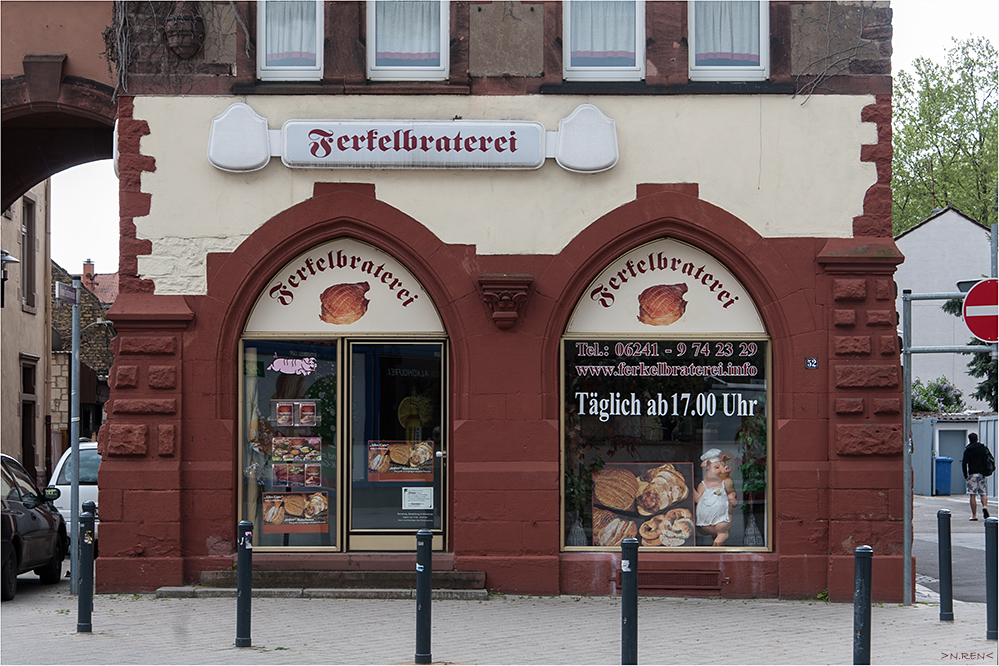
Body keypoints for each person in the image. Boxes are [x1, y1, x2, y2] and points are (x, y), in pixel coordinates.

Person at [694, 448, 738, 546]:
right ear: (707, 467)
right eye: (717, 467)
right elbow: (697, 498)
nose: (722, 469)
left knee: (721, 529)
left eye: (722, 466)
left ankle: (721, 537)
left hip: (721, 522)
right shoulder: (703, 485)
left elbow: (731, 494)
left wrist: (732, 499)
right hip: (703, 524)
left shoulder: (725, 483)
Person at [961, 433, 991, 521]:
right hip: (982, 473)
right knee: (983, 492)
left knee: (972, 495)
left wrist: (965, 475)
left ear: (969, 440)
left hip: (972, 474)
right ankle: (984, 507)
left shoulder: (968, 450)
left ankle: (974, 515)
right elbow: (987, 459)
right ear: (977, 439)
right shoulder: (983, 448)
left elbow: (964, 463)